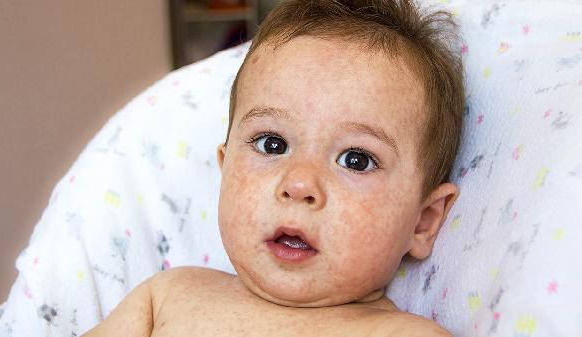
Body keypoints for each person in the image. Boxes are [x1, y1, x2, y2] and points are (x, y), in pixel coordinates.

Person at [82, 0, 465, 335]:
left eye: (356, 159)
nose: (299, 183)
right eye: (272, 144)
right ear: (224, 169)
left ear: (423, 222)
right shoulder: (164, 298)